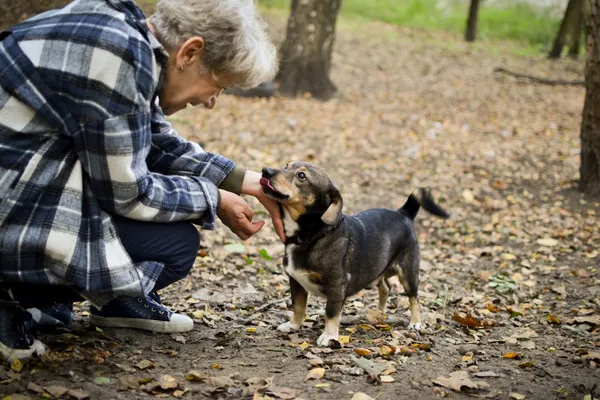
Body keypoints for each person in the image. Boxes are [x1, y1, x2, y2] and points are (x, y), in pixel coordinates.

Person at [0, 0, 285, 362]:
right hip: (12, 194)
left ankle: (39, 298)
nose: (211, 102)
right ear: (190, 52)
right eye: (218, 85)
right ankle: (19, 296)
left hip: (19, 183)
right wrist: (212, 197)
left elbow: (155, 141)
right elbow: (131, 194)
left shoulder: (124, 34)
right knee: (174, 245)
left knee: (175, 240)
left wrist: (246, 182)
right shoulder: (118, 56)